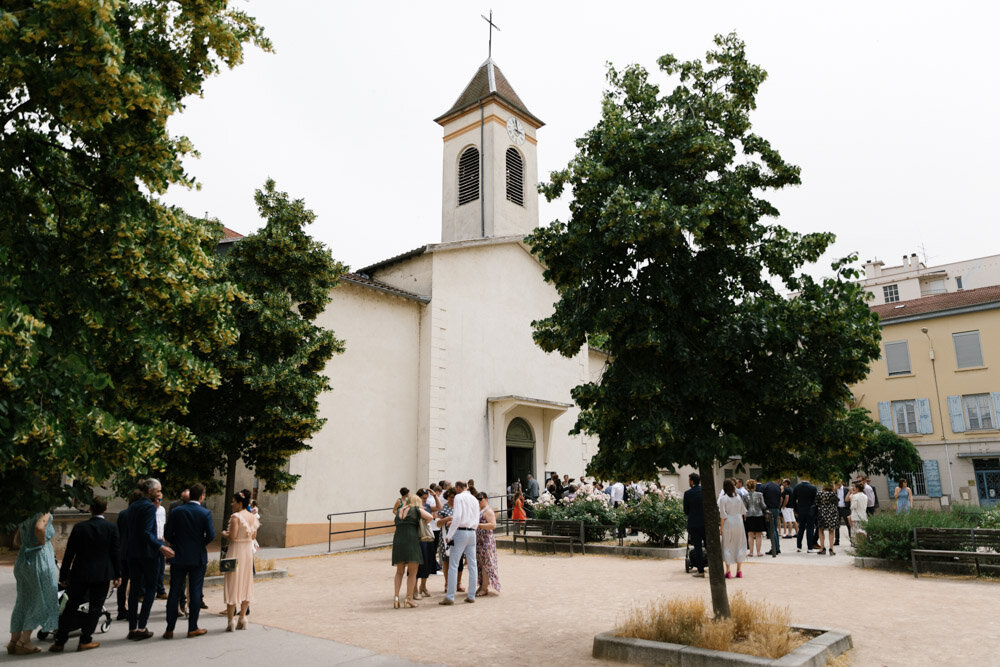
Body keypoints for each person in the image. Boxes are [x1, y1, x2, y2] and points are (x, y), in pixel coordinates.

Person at [50, 498, 121, 653]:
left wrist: (63, 576)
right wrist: (118, 574)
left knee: (71, 606)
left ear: (90, 509)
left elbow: (69, 554)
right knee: (95, 608)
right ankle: (85, 640)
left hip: (79, 572)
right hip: (102, 574)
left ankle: (60, 641)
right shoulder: (111, 528)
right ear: (106, 508)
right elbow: (115, 553)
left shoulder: (80, 527)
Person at [163, 483, 214, 639]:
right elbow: (211, 535)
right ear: (201, 496)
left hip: (178, 556)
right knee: (195, 591)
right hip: (197, 557)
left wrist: (175, 544)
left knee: (174, 591)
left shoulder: (177, 511)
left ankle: (170, 629)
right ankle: (192, 627)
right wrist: (200, 544)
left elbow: (167, 533)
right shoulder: (205, 513)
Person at [126, 478, 174, 641]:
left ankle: (133, 626)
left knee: (134, 590)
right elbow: (146, 532)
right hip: (147, 554)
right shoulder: (148, 507)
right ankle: (141, 627)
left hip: (133, 553)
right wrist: (161, 547)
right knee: (151, 588)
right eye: (158, 490)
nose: (160, 493)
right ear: (150, 491)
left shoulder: (133, 506)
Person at [8, 511, 59, 655]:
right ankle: (24, 641)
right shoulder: (43, 511)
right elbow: (39, 528)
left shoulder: (25, 510)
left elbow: (17, 540)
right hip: (39, 558)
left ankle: (14, 641)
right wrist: (43, 542)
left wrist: (27, 542)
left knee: (23, 600)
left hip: (23, 559)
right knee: (40, 599)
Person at [221, 489, 259, 630]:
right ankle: (243, 617)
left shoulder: (236, 517)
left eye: (233, 501)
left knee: (232, 582)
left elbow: (233, 537)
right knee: (245, 582)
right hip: (247, 552)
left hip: (235, 550)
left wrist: (224, 533)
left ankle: (230, 621)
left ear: (239, 503)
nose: (232, 504)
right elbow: (253, 536)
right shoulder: (252, 517)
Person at [440, 480, 479, 605]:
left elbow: (457, 517)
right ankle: (471, 595)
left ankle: (450, 596)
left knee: (453, 564)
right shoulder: (473, 499)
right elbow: (476, 517)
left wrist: (450, 535)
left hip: (461, 531)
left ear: (458, 487)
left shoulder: (459, 497)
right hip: (472, 531)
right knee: (472, 564)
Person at [392, 494, 434, 608]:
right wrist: (422, 523)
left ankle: (396, 598)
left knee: (399, 571)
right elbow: (430, 517)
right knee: (412, 572)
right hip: (411, 540)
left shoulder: (400, 510)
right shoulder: (416, 509)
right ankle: (408, 599)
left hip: (398, 540)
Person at [115, 489, 142, 621]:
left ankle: (121, 609)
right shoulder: (140, 514)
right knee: (134, 583)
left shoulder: (123, 514)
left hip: (123, 551)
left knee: (123, 582)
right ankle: (131, 610)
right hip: (135, 552)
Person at [718, 479, 747, 578]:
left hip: (728, 522)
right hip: (738, 521)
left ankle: (728, 570)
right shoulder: (738, 497)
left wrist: (721, 528)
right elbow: (743, 512)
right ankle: (739, 570)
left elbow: (723, 515)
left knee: (727, 546)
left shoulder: (723, 499)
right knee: (740, 545)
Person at [414, 488, 440, 599]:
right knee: (416, 564)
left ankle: (423, 586)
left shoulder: (428, 506)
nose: (425, 500)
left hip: (428, 537)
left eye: (426, 498)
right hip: (418, 538)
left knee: (427, 563)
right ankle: (414, 589)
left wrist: (435, 495)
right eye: (423, 498)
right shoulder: (414, 508)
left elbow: (439, 508)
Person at [475, 492, 500, 596]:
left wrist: (479, 525)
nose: (479, 501)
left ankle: (484, 587)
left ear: (485, 499)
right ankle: (481, 585)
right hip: (479, 540)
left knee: (486, 564)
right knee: (480, 564)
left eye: (481, 499)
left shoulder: (488, 511)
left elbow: (493, 525)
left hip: (486, 541)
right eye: (477, 499)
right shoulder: (479, 510)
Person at [683, 472, 706, 578]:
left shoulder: (688, 493)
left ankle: (700, 570)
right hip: (705, 522)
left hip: (694, 523)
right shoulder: (704, 491)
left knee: (697, 547)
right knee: (708, 545)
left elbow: (686, 510)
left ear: (692, 481)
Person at [792, 477, 818, 553]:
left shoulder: (797, 487)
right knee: (810, 529)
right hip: (810, 511)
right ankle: (810, 547)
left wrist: (796, 510)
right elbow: (815, 500)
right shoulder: (813, 488)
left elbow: (793, 500)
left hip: (801, 510)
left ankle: (799, 546)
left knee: (801, 529)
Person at [743, 480, 767, 557]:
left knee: (750, 535)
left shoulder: (745, 496)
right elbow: (763, 505)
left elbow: (744, 507)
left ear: (747, 486)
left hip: (749, 516)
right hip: (758, 515)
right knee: (758, 535)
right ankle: (759, 552)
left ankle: (751, 552)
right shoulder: (760, 494)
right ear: (755, 486)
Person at [760, 478, 783, 557]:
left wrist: (765, 510)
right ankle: (777, 547)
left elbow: (762, 500)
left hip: (769, 509)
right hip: (776, 509)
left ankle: (774, 548)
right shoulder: (777, 486)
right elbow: (780, 498)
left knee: (771, 530)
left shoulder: (765, 487)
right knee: (775, 529)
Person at [815, 481, 839, 555]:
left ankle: (822, 548)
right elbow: (836, 503)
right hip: (832, 513)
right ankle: (831, 548)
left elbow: (816, 503)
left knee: (820, 530)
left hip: (822, 513)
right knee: (831, 531)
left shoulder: (819, 493)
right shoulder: (833, 494)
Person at [835, 480, 851, 546]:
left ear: (841, 483)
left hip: (845, 508)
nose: (837, 486)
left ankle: (852, 540)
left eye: (838, 484)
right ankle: (837, 540)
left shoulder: (846, 489)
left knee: (848, 525)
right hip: (837, 509)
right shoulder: (835, 490)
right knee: (836, 525)